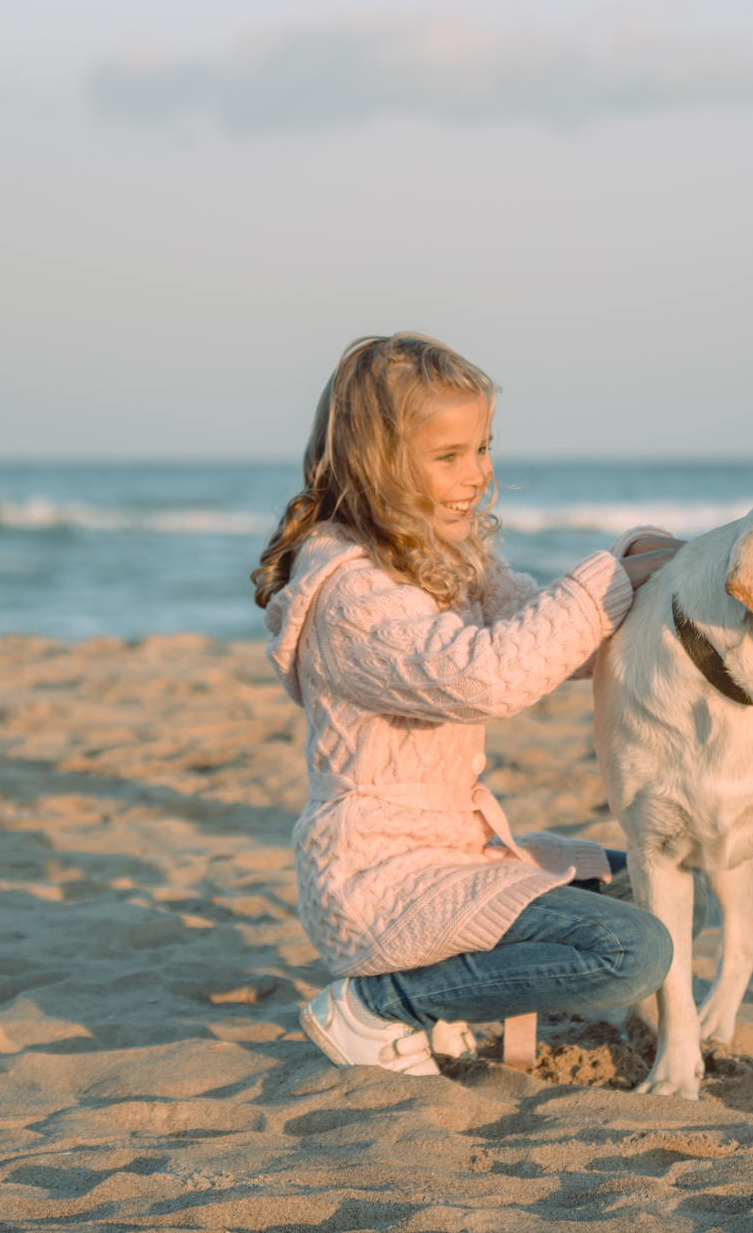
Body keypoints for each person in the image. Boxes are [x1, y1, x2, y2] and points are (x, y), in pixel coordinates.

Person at [253, 332, 683, 1076]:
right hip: (378, 880)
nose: (476, 476)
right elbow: (488, 675)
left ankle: (449, 997)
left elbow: (559, 636)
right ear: (375, 465)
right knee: (633, 948)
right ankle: (383, 1005)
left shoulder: (451, 564)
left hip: (457, 854)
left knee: (671, 885)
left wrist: (651, 576)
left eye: (482, 448)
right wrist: (604, 581)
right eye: (447, 456)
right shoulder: (353, 599)